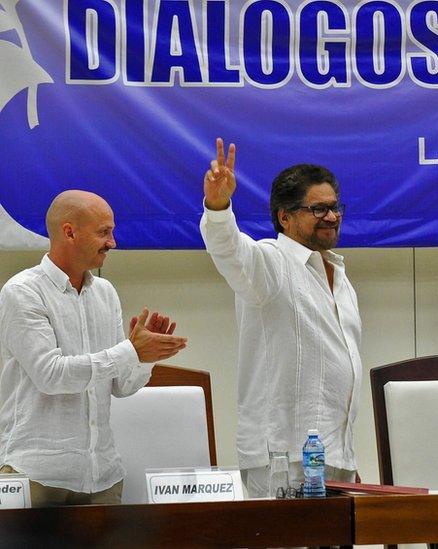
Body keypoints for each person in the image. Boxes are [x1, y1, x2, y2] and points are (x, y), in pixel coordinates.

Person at [0, 190, 187, 506]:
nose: (112, 242)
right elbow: (51, 375)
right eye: (104, 232)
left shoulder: (105, 292)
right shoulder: (22, 292)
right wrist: (130, 351)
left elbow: (119, 385)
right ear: (69, 232)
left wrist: (144, 359)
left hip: (102, 476)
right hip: (36, 476)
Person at [200, 138, 361, 497]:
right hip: (283, 463)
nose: (332, 217)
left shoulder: (339, 274)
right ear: (284, 217)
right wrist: (218, 205)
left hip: (335, 459)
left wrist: (347, 458)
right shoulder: (271, 261)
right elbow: (229, 251)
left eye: (335, 208)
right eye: (318, 210)